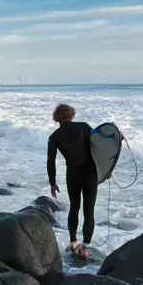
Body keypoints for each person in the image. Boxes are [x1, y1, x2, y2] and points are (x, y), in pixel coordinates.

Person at [47, 103, 98, 258]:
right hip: (90, 174)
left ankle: (74, 243)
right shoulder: (84, 127)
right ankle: (86, 248)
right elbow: (101, 145)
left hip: (73, 175)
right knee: (89, 210)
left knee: (74, 207)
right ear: (71, 115)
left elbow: (50, 161)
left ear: (57, 117)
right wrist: (107, 169)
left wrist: (53, 182)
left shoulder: (54, 137)